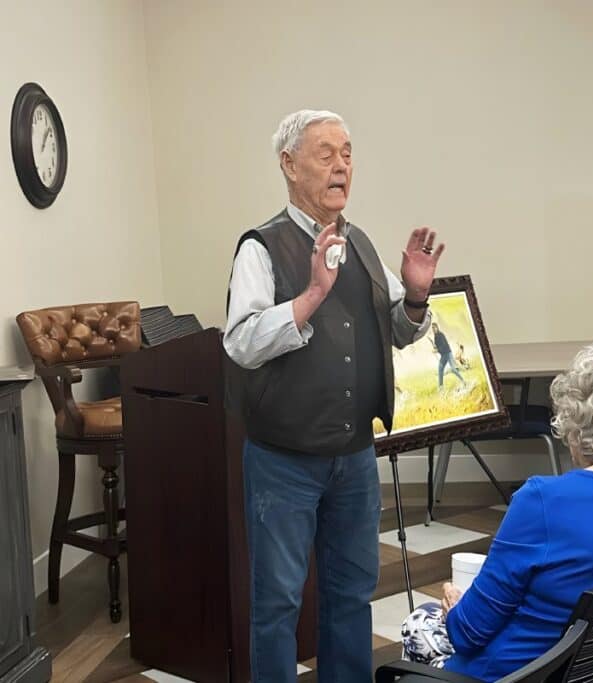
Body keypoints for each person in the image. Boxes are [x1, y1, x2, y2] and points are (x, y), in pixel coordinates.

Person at [223, 109, 445, 682]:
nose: (342, 165)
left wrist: (416, 297)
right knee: (276, 603)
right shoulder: (261, 248)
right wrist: (310, 296)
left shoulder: (363, 245)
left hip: (353, 457)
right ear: (289, 165)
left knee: (352, 593)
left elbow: (399, 329)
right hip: (283, 461)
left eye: (347, 153)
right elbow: (241, 342)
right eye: (326, 154)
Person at [400, 338, 593, 680]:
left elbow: (468, 634)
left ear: (585, 422)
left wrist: (455, 610)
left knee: (421, 622)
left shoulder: (546, 502)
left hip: (525, 673)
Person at [431, 322, 466, 389]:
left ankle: (463, 381)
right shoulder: (435, 337)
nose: (433, 329)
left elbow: (444, 345)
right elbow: (437, 346)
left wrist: (437, 350)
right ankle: (441, 387)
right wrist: (435, 348)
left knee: (453, 369)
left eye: (434, 327)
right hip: (443, 356)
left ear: (437, 327)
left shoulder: (441, 335)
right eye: (432, 328)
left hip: (448, 354)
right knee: (440, 370)